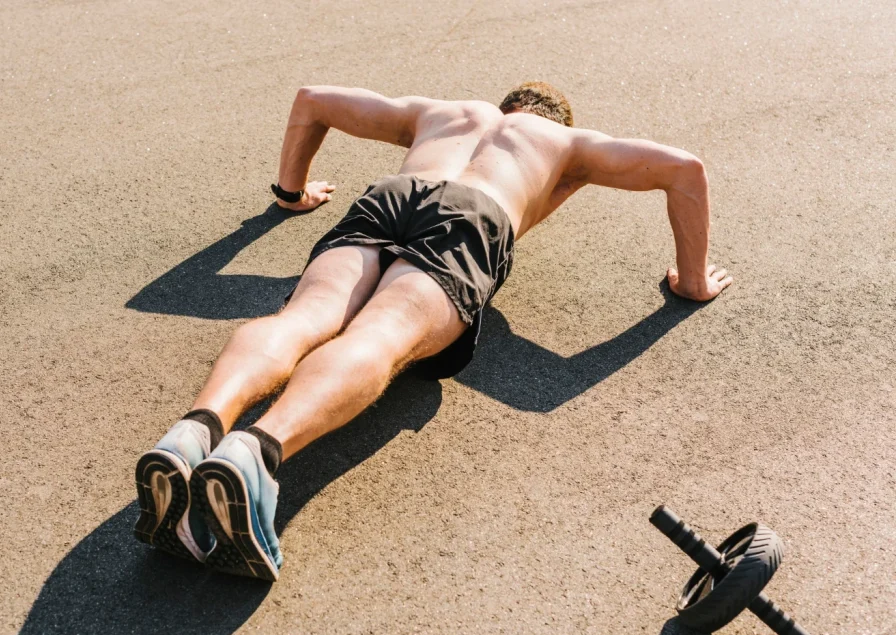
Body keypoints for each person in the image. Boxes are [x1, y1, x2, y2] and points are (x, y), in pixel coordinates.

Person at [133, 82, 733, 581]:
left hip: (393, 197)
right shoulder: (568, 142)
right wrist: (692, 281)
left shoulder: (441, 113)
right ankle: (255, 453)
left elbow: (313, 99)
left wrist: (291, 195)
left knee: (304, 318)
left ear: (505, 104)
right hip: (475, 216)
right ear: (552, 117)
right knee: (379, 337)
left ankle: (195, 431)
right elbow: (685, 170)